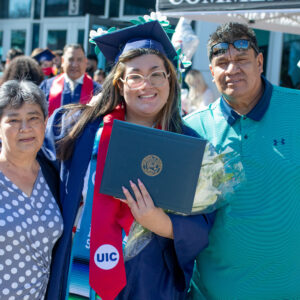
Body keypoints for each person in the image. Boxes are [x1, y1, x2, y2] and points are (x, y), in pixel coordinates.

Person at [42, 20, 214, 300]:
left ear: (170, 79)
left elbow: (203, 225)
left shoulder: (188, 145)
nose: (147, 85)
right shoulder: (80, 131)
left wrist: (156, 220)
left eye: (157, 74)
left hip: (152, 282)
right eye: (135, 75)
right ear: (120, 82)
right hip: (79, 275)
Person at [185, 22, 300, 299]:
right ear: (211, 72)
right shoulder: (191, 130)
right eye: (222, 62)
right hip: (213, 293)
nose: (232, 69)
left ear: (260, 62)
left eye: (242, 60)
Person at [0, 80, 63, 299]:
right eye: (14, 120)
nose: (25, 128)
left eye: (33, 118)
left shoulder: (53, 174)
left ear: (45, 122)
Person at [39, 44, 101, 116]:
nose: (74, 65)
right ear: (62, 61)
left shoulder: (97, 90)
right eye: (70, 60)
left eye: (79, 60)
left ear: (85, 61)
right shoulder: (47, 86)